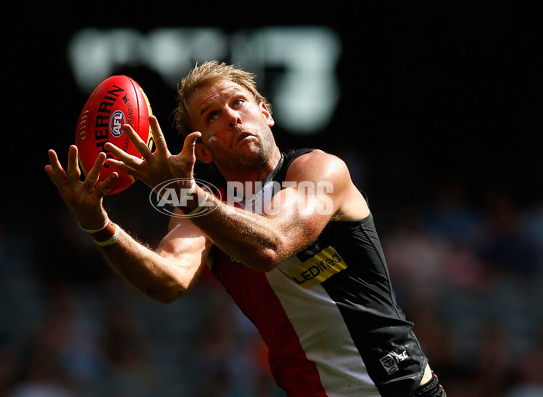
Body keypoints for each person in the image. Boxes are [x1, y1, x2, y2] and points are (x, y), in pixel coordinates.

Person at [45, 61, 446, 396]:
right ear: (200, 149)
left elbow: (272, 244)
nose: (233, 116)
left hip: (399, 388)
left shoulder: (318, 170)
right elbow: (166, 282)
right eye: (212, 115)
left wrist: (182, 194)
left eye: (239, 102)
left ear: (265, 111)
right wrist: (98, 225)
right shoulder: (198, 212)